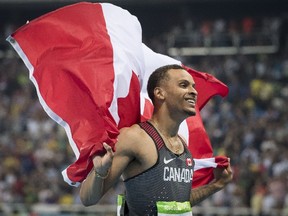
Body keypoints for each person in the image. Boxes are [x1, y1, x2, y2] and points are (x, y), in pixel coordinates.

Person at [79, 64, 233, 215]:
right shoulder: (135, 138)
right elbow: (88, 199)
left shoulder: (182, 145)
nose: (193, 92)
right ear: (160, 93)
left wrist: (216, 185)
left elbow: (177, 204)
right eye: (184, 85)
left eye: (193, 86)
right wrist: (99, 173)